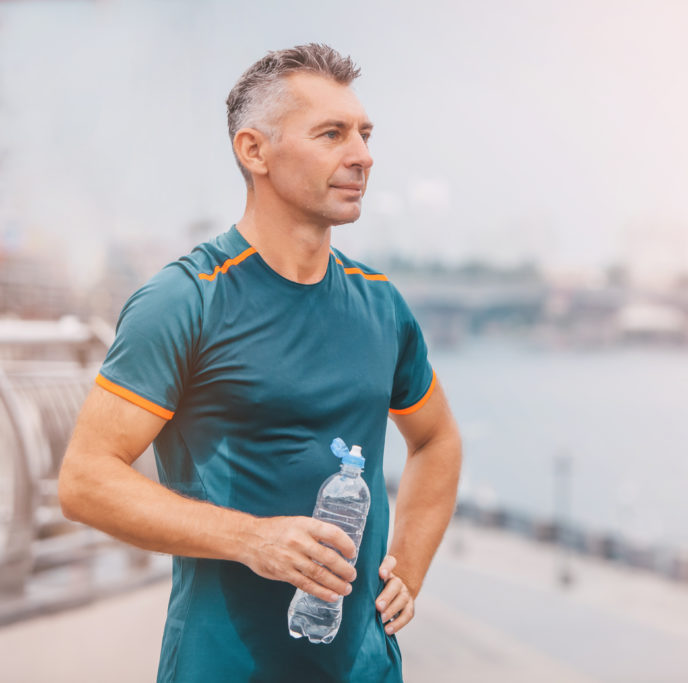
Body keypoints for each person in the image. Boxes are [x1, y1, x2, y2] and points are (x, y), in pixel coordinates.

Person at [57, 43, 462, 682]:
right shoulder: (186, 300)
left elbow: (436, 439)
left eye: (363, 133)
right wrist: (255, 541)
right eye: (331, 134)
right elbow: (85, 481)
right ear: (255, 151)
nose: (362, 155)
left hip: (365, 669)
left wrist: (407, 566)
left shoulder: (382, 306)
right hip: (222, 666)